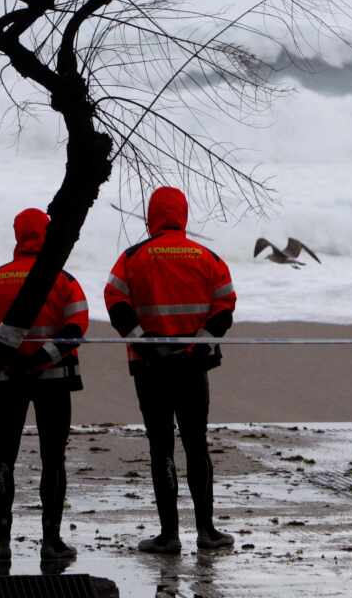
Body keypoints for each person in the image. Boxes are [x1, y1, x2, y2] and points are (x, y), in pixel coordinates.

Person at [104, 185, 237, 554]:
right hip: (193, 367)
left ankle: (169, 535)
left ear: (152, 216)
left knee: (160, 446)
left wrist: (142, 340)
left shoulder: (132, 257)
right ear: (184, 214)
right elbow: (225, 305)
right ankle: (207, 533)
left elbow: (115, 301)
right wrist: (199, 343)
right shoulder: (207, 256)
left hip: (150, 367)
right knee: (196, 444)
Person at [0, 207, 88, 564]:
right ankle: (52, 542)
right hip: (54, 381)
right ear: (47, 234)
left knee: (3, 458)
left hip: (5, 381)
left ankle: (1, 542)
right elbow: (77, 326)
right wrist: (41, 359)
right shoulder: (63, 279)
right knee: (53, 459)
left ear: (17, 235)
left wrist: (7, 360)